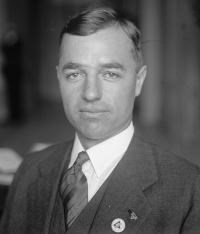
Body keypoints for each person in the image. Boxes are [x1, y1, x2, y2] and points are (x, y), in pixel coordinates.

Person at [1, 6, 200, 234]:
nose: (90, 93)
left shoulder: (188, 189)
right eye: (74, 74)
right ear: (59, 78)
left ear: (138, 81)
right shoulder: (29, 170)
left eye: (110, 74)